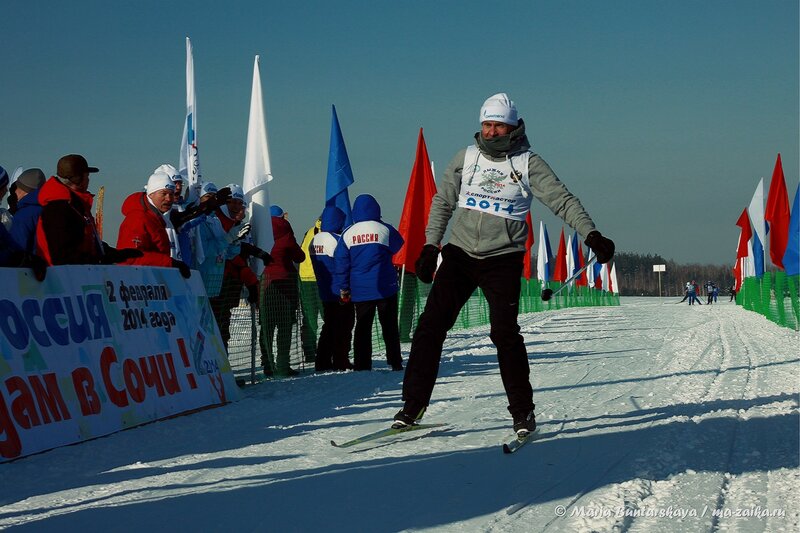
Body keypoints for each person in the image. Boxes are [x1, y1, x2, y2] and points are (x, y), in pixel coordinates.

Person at [391, 93, 615, 438]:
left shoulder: (528, 163)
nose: (492, 132)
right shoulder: (466, 158)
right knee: (429, 328)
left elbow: (562, 200)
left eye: (498, 125)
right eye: (487, 124)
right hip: (460, 254)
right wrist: (429, 246)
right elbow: (442, 202)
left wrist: (591, 234)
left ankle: (522, 413)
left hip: (503, 259)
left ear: (513, 126)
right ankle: (412, 407)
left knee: (505, 334)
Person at [334, 194, 405, 371]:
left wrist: (344, 287)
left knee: (363, 327)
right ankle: (395, 361)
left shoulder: (348, 233)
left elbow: (341, 263)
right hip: (385, 286)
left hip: (360, 289)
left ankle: (362, 363)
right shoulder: (385, 229)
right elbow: (398, 246)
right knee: (389, 325)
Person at [36, 154, 141, 266]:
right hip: (63, 279)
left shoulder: (74, 204)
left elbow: (88, 242)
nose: (88, 180)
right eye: (86, 176)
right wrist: (101, 260)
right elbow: (63, 256)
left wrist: (114, 254)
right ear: (78, 179)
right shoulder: (58, 209)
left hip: (79, 276)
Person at [116, 170, 193, 276]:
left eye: (171, 194)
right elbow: (130, 258)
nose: (168, 199)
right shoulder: (137, 219)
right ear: (151, 194)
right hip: (135, 281)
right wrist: (170, 263)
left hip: (151, 280)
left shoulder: (157, 219)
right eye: (164, 194)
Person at [260, 206, 305, 377]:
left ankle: (267, 364)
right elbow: (299, 257)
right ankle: (283, 365)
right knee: (284, 327)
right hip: (285, 283)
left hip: (264, 283)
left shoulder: (260, 231)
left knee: (266, 327)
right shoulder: (285, 232)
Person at [309, 206, 354, 372]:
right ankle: (340, 360)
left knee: (328, 326)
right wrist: (346, 287)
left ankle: (322, 360)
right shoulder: (335, 239)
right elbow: (343, 263)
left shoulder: (315, 239)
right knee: (344, 326)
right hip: (340, 290)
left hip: (324, 289)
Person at [298, 216, 322, 364]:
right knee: (331, 317)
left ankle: (309, 352)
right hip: (322, 280)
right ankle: (331, 348)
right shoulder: (329, 233)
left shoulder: (309, 232)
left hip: (305, 277)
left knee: (309, 319)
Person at [9, 168, 46, 254]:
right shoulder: (52, 209)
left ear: (24, 190)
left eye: (16, 187)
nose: (14, 191)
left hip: (29, 265)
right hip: (53, 265)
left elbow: (16, 247)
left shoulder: (24, 216)